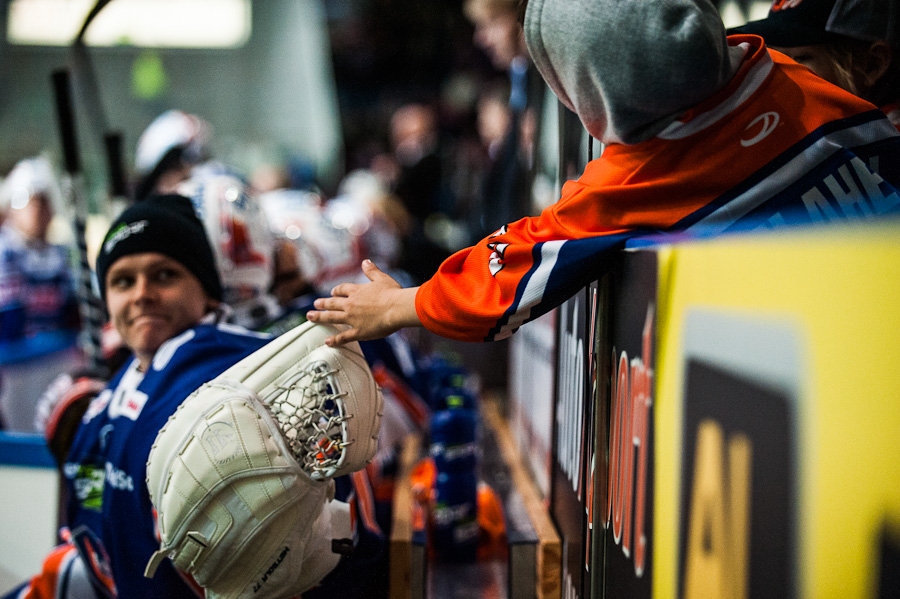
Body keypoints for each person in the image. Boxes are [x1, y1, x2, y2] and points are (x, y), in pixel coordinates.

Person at [307, 0, 900, 346]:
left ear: (590, 99)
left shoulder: (638, 181)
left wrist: (399, 305)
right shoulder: (795, 80)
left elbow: (508, 274)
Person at [2, 194, 275, 599]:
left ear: (209, 292)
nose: (141, 294)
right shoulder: (110, 396)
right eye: (122, 281)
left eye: (164, 275)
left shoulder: (248, 369)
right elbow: (96, 551)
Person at [0, 157, 81, 431]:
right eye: (31, 201)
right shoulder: (4, 255)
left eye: (44, 201)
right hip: (12, 378)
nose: (39, 210)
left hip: (59, 371)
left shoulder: (66, 255)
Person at [730, 0, 900, 130]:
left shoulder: (884, 149)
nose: (775, 72)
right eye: (772, 56)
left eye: (801, 58)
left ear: (872, 66)